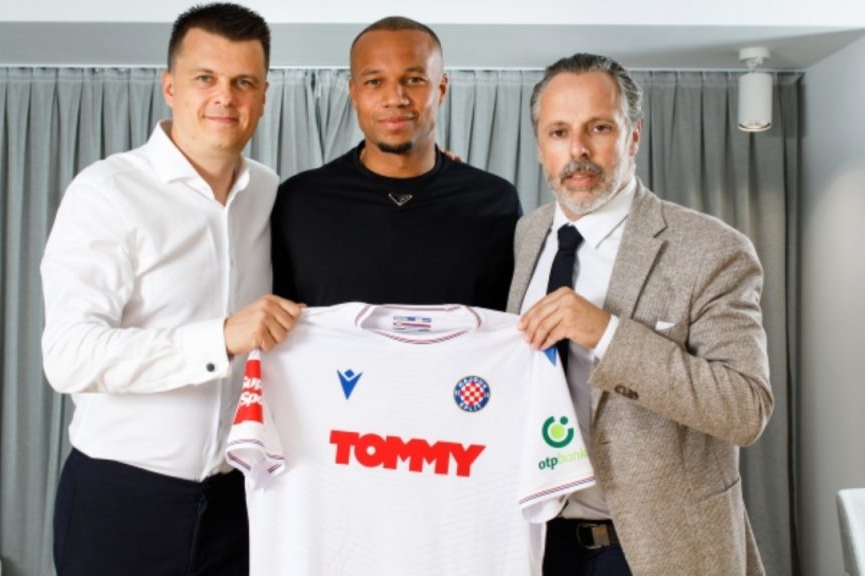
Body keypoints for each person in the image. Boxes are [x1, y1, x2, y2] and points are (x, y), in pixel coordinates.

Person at [39, 4, 301, 575]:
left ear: (263, 95)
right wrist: (220, 337)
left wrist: (431, 175)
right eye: (205, 78)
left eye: (244, 82)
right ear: (170, 87)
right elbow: (68, 356)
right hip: (120, 502)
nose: (225, 97)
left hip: (239, 506)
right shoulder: (106, 192)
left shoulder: (272, 193)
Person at [509, 52, 773, 575]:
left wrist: (607, 334)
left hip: (658, 550)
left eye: (599, 128)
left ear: (633, 136)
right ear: (540, 146)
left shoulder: (714, 249)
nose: (578, 150)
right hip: (537, 543)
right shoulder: (528, 233)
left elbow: (746, 409)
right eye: (559, 132)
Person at [271, 16, 520, 309]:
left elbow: (517, 321)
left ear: (441, 89)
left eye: (414, 80)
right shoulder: (298, 201)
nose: (395, 98)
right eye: (374, 82)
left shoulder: (496, 201)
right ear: (354, 93)